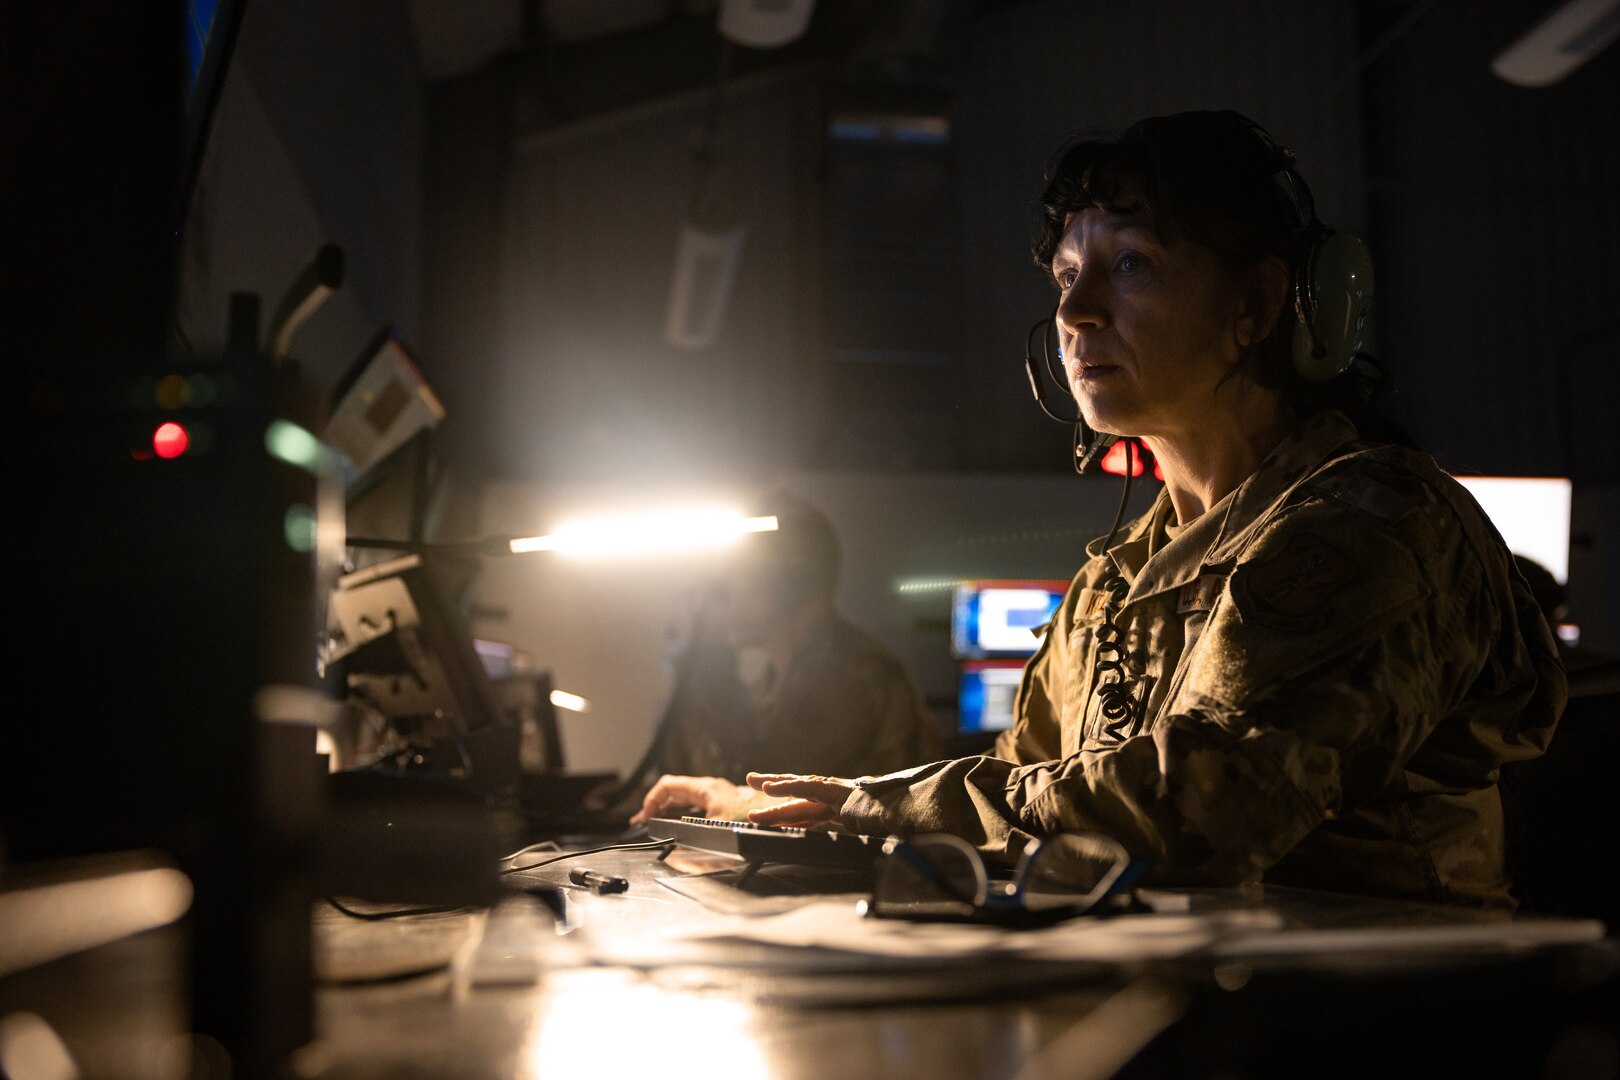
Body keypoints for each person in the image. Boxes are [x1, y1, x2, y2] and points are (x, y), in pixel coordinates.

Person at [734, 111, 1566, 911]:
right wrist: (792, 810)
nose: (1072, 313)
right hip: (1180, 1005)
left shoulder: (1378, 524)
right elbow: (1022, 786)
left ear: (1255, 306)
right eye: (1067, 275)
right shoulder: (1115, 579)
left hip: (1385, 1022)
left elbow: (1203, 806)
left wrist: (874, 805)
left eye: (1130, 264)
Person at [629, 492, 939, 825]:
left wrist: (702, 659)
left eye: (735, 579)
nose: (724, 597)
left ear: (786, 581)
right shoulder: (780, 678)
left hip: (861, 870)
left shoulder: (849, 677)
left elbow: (758, 797)